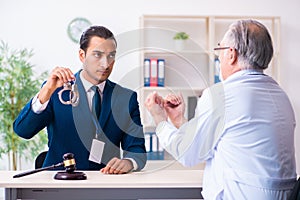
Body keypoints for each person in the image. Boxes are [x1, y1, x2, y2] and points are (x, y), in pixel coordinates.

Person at [145, 19, 297, 199]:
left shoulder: (221, 95)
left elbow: (188, 155)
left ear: (231, 54)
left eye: (220, 50)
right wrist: (179, 120)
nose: (219, 57)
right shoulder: (280, 94)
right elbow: (214, 143)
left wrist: (160, 119)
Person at [13, 25, 147, 174]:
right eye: (97, 55)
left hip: (106, 183)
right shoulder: (56, 91)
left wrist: (129, 162)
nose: (106, 63)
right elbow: (23, 130)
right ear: (82, 55)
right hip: (61, 183)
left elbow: (137, 150)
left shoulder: (126, 98)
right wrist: (46, 91)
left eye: (111, 56)